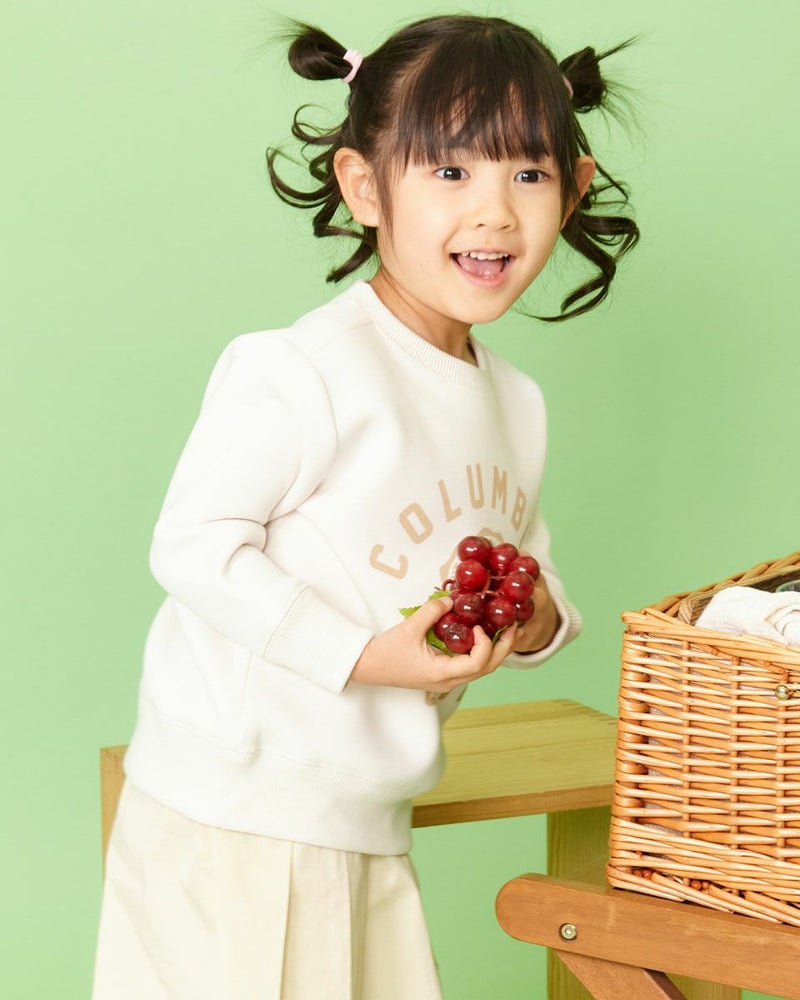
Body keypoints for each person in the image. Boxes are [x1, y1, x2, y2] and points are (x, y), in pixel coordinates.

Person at [92, 13, 638, 1000]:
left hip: (366, 812)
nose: (494, 212)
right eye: (449, 171)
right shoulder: (303, 370)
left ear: (575, 187)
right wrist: (363, 656)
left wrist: (532, 617)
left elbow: (533, 567)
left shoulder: (515, 403)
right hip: (234, 811)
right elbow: (193, 546)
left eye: (527, 173)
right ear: (364, 187)